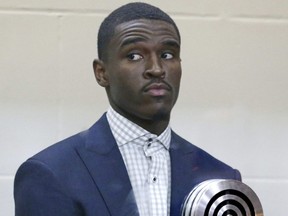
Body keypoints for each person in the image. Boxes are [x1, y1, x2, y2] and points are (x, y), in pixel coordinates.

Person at [14, 2, 241, 216]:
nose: (156, 69)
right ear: (102, 73)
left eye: (167, 55)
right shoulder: (50, 173)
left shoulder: (219, 179)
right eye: (134, 56)